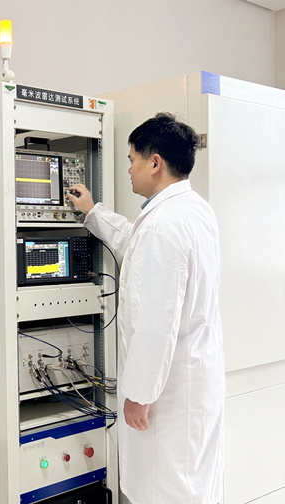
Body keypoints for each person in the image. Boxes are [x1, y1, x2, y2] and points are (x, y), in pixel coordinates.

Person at [67, 113, 224, 504]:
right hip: (191, 381)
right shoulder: (191, 210)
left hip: (167, 396)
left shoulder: (163, 225)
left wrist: (139, 394)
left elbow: (157, 322)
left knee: (166, 491)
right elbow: (138, 245)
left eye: (131, 160)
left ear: (154, 163)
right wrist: (93, 212)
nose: (129, 169)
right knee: (191, 486)